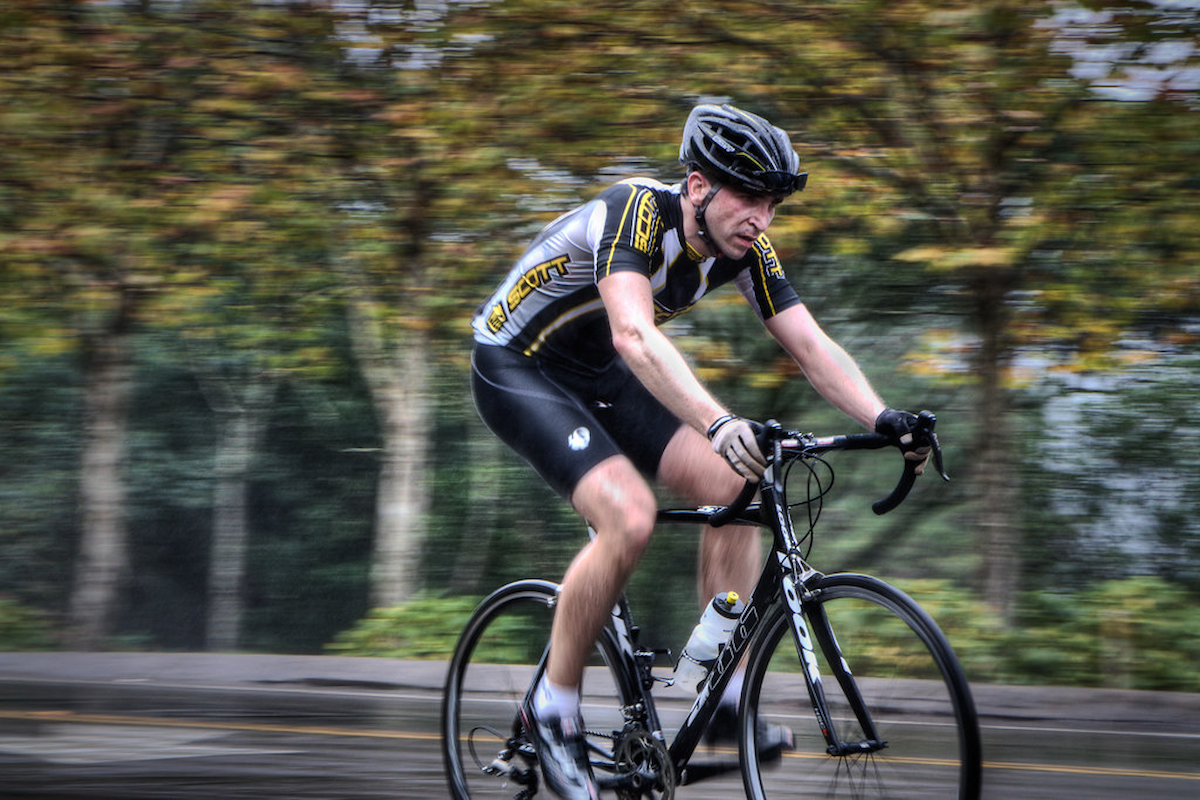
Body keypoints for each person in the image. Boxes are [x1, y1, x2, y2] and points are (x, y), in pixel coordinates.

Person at [470, 103, 930, 799]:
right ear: (696, 187)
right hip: (519, 366)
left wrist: (883, 414)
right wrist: (718, 420)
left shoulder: (747, 251)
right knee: (629, 515)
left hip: (598, 374)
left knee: (737, 485)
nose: (761, 217)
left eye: (771, 203)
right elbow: (634, 334)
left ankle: (721, 698)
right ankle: (552, 712)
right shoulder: (635, 213)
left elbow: (809, 346)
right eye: (747, 196)